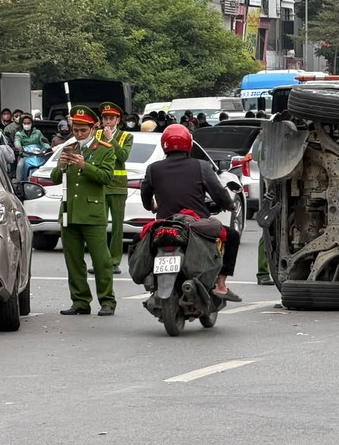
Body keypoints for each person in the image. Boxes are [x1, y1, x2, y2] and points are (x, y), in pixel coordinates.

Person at [140, 123, 241, 302]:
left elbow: (145, 195)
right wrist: (229, 205)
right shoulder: (201, 166)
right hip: (195, 225)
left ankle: (149, 277)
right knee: (232, 236)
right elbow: (218, 192)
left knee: (139, 242)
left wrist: (152, 207)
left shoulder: (153, 169)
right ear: (189, 144)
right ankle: (221, 285)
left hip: (164, 225)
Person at [51, 105, 116, 317]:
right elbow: (54, 178)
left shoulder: (105, 148)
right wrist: (60, 166)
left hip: (92, 212)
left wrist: (84, 166)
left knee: (101, 260)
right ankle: (80, 301)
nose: (78, 134)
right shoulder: (69, 148)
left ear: (93, 127)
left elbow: (107, 178)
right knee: (73, 260)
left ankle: (107, 301)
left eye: (83, 130)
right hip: (69, 211)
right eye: (75, 130)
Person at [96, 101, 133, 275]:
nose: (108, 122)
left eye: (111, 118)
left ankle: (114, 260)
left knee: (117, 226)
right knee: (98, 225)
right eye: (105, 118)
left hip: (118, 187)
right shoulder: (96, 135)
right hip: (100, 186)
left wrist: (111, 140)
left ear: (118, 119)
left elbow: (122, 156)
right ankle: (100, 260)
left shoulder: (126, 136)